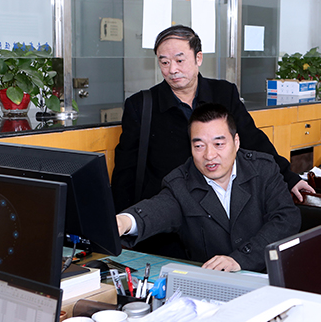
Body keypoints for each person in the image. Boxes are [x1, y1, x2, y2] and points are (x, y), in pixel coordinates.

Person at [111, 25, 313, 213]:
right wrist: (121, 220)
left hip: (219, 207)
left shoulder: (223, 93)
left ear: (198, 58)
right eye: (164, 62)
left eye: (180, 60)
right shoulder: (141, 105)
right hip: (168, 210)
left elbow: (253, 140)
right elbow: (126, 169)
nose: (172, 70)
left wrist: (289, 177)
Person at [116, 103, 301, 272]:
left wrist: (240, 259)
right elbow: (158, 209)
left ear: (236, 142)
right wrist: (124, 222)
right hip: (211, 284)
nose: (209, 155)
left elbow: (286, 219)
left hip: (268, 277)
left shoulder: (263, 169)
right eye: (199, 146)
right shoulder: (180, 184)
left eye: (218, 144)